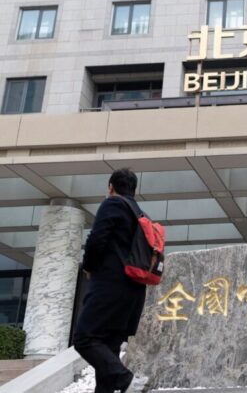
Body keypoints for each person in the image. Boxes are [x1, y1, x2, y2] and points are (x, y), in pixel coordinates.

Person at [74, 168, 149, 393]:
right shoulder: (141, 215)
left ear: (110, 187)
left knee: (84, 338)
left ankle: (126, 380)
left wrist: (88, 267)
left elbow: (97, 239)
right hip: (134, 290)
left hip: (110, 286)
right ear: (135, 190)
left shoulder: (113, 204)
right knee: (109, 347)